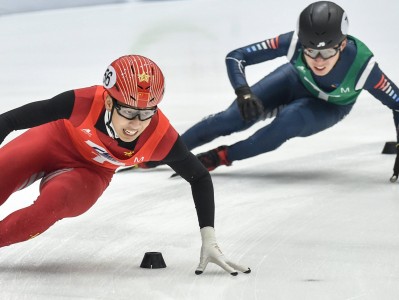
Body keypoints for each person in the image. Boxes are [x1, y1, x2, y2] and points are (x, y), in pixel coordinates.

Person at [0, 55, 250, 276]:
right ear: (109, 102)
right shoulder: (82, 101)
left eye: (146, 114)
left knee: (55, 204)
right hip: (51, 139)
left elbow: (199, 177)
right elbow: (8, 120)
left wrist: (209, 238)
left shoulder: (160, 138)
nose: (136, 124)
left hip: (90, 172)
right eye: (129, 113)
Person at [172, 1, 399, 172]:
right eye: (311, 51)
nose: (319, 61)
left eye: (327, 52)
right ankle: (167, 152)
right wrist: (243, 91)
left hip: (328, 105)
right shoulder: (293, 42)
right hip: (293, 80)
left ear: (342, 45)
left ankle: (220, 156)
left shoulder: (363, 67)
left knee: (288, 121)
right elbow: (236, 56)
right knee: (232, 118)